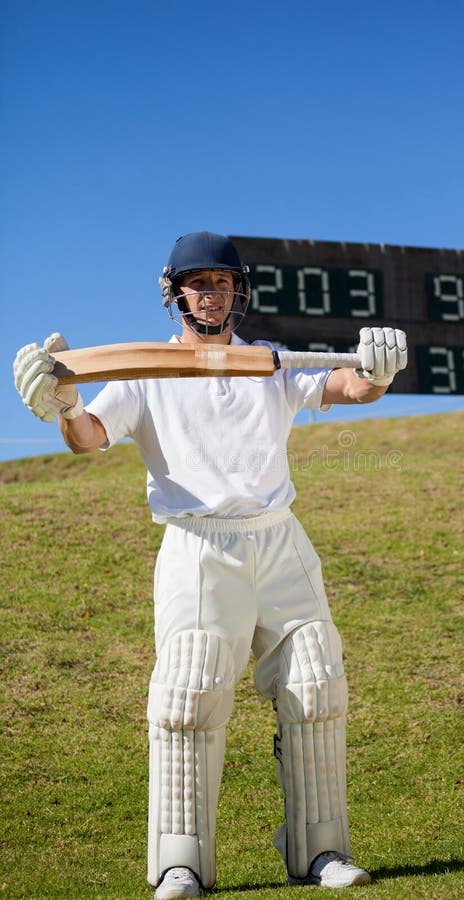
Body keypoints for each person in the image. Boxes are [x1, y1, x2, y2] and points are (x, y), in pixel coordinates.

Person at [13, 232, 407, 898]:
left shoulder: (269, 363)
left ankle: (321, 852)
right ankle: (182, 865)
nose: (211, 295)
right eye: (198, 284)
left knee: (315, 685)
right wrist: (66, 404)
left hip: (279, 540)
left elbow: (351, 387)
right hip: (198, 547)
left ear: (237, 291)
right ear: (176, 295)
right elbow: (88, 438)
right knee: (189, 696)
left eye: (222, 283)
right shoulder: (145, 372)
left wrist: (378, 370)